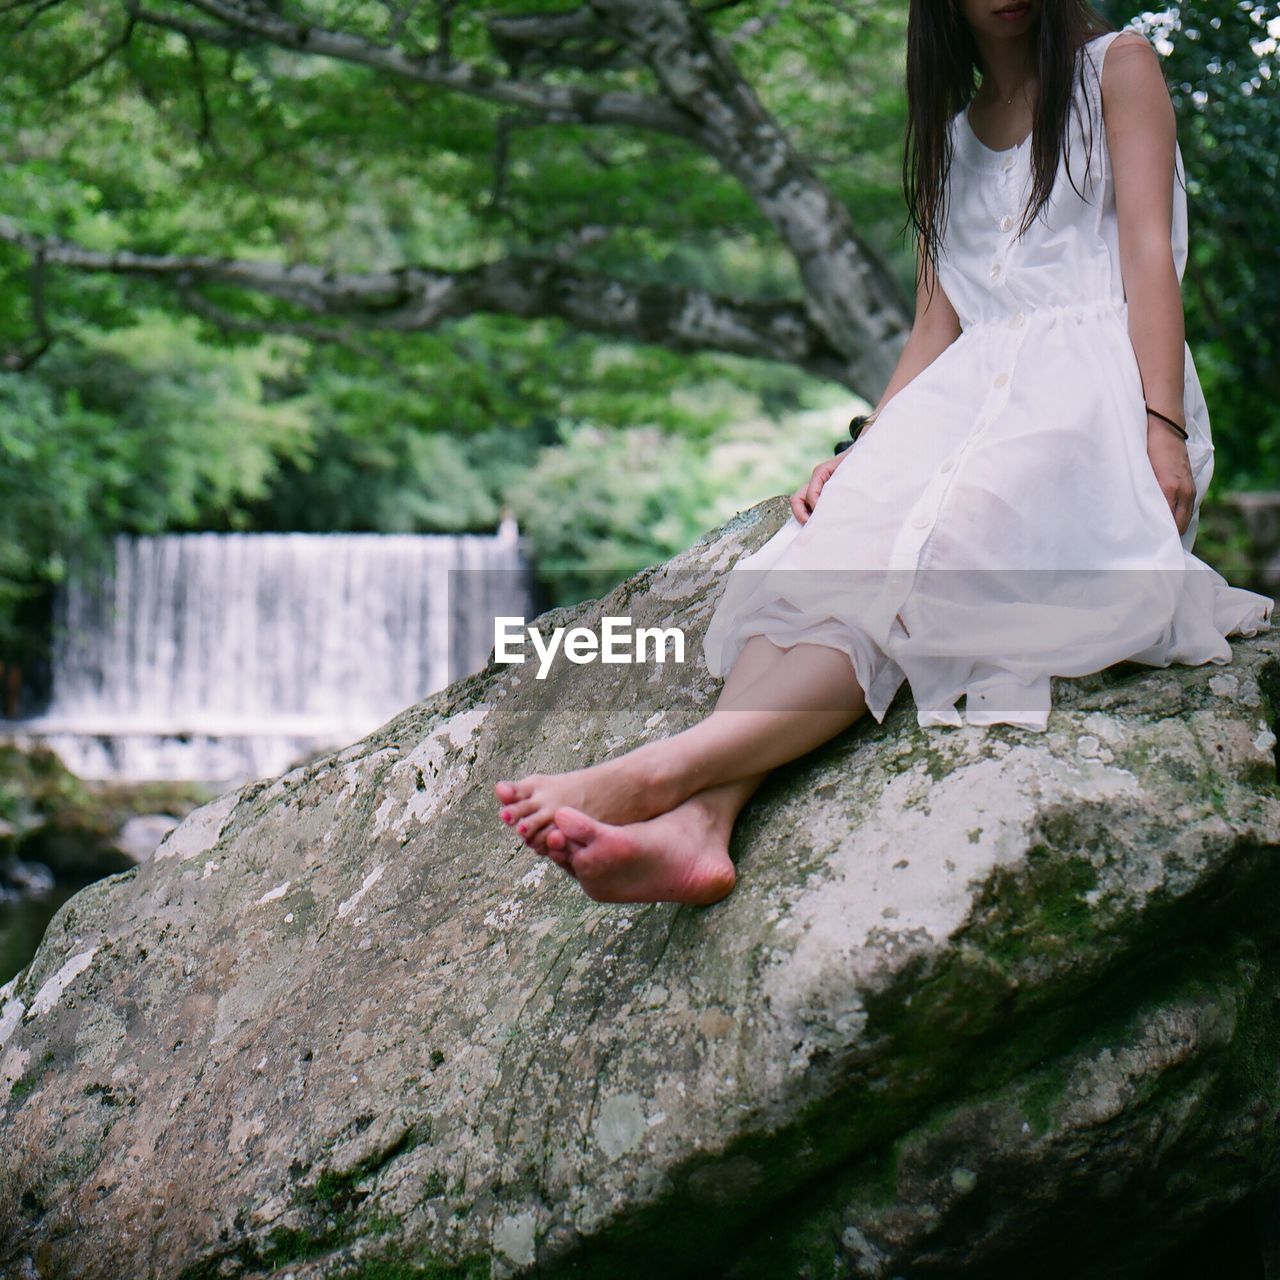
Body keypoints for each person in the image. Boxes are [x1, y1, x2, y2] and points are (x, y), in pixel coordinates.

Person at [493, 0, 1273, 906]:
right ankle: (700, 826)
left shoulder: (1118, 68)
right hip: (965, 401)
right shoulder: (952, 134)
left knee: (921, 567)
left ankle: (657, 774)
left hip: (1090, 394)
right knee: (825, 555)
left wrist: (1163, 426)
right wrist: (864, 449)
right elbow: (936, 323)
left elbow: (1149, 255)